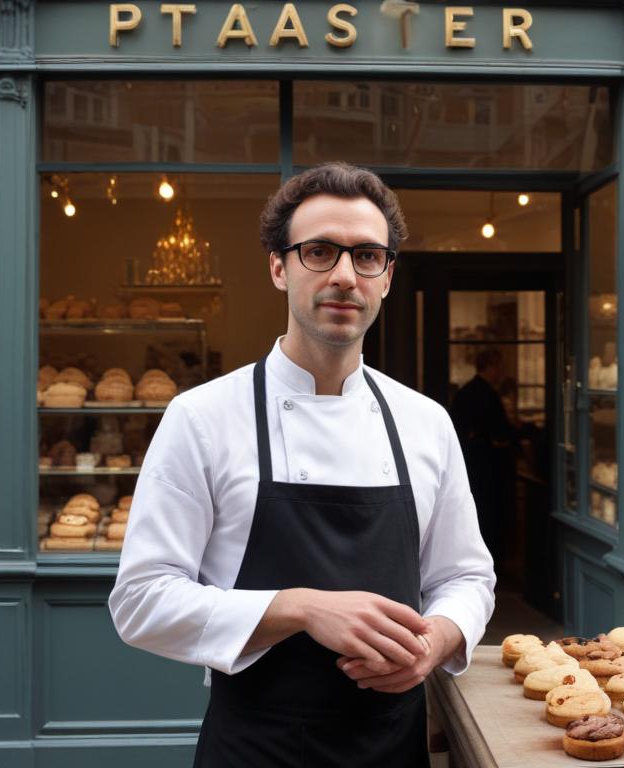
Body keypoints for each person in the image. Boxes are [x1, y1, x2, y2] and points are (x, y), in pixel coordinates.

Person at [109, 162, 496, 767]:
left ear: (388, 276)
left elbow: (466, 579)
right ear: (278, 266)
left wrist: (436, 641)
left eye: (367, 256)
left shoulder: (426, 422)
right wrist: (300, 607)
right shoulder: (202, 417)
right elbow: (140, 601)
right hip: (254, 749)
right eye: (319, 251)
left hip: (391, 748)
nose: (345, 275)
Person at [449, 348, 518, 568]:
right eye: (498, 366)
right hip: (487, 463)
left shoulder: (466, 391)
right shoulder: (487, 394)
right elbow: (500, 430)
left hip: (469, 460)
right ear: (491, 367)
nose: (500, 371)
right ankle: (491, 560)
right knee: (489, 512)